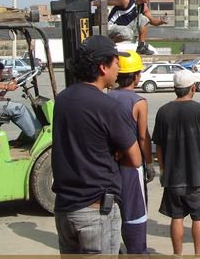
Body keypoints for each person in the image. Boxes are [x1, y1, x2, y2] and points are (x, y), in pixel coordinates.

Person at [52, 35, 142, 255]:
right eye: (116, 62)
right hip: (95, 211)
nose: (119, 68)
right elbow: (135, 159)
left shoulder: (62, 99)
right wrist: (118, 153)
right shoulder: (108, 106)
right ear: (103, 67)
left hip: (65, 209)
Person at [152, 69, 200, 259]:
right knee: (199, 218)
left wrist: (163, 169)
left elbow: (159, 145)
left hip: (173, 177)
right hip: (198, 176)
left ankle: (177, 255)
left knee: (176, 217)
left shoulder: (163, 111)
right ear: (192, 88)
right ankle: (199, 255)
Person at [109, 51, 155, 254]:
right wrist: (149, 163)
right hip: (131, 165)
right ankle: (137, 251)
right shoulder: (139, 102)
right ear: (136, 76)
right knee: (135, 212)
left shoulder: (108, 97)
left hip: (112, 164)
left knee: (115, 209)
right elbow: (143, 137)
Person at [100, 0, 167, 55]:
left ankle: (141, 47)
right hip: (110, 27)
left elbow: (152, 21)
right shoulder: (126, 1)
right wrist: (92, 3)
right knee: (128, 33)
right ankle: (108, 45)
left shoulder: (144, 7)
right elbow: (105, 2)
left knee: (144, 19)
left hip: (123, 28)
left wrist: (161, 21)